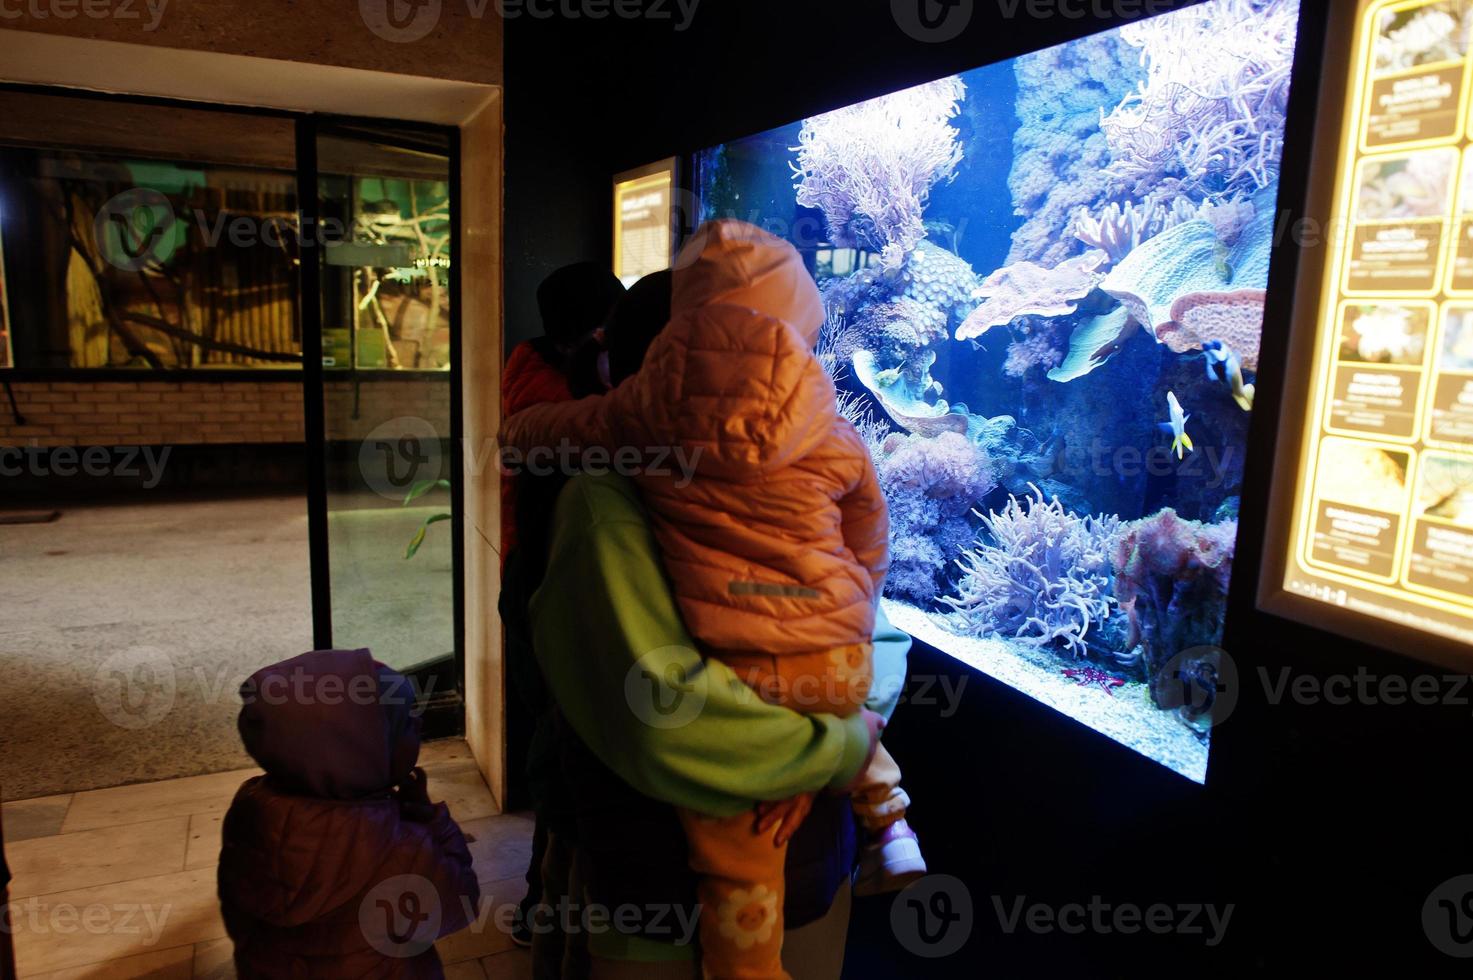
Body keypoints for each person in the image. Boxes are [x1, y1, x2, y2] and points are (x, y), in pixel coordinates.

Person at [502, 221, 926, 979]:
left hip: (780, 876)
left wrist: (808, 753)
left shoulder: (641, 484)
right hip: (670, 901)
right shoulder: (609, 506)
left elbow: (872, 635)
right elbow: (665, 717)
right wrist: (838, 747)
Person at [218, 649, 480, 979]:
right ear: (363, 754)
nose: (419, 725)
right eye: (405, 725)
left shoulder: (249, 812)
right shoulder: (400, 850)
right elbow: (461, 903)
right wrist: (432, 821)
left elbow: (237, 912)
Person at [500, 262, 625, 947]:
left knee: (557, 738)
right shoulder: (565, 402)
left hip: (530, 583)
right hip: (550, 589)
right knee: (564, 742)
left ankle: (545, 899)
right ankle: (542, 902)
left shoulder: (531, 369)